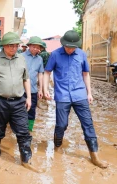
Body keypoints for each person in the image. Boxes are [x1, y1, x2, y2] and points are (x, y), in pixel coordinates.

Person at [43, 30, 108, 169]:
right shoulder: (55, 55)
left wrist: (89, 93)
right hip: (62, 95)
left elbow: (85, 74)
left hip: (80, 94)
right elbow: (47, 72)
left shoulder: (82, 54)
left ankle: (94, 156)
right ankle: (57, 145)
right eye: (68, 47)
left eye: (73, 47)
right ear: (63, 44)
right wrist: (45, 90)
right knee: (61, 125)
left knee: (88, 124)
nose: (70, 49)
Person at [0, 32, 40, 172]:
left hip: (19, 101)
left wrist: (29, 99)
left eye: (16, 45)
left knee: (23, 131)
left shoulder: (21, 59)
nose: (14, 48)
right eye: (11, 46)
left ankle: (26, 159)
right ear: (4, 46)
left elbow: (26, 79)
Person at [22, 36, 44, 131]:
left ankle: (29, 130)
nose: (36, 49)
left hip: (33, 89)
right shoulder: (21, 56)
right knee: (20, 110)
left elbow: (40, 74)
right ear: (29, 46)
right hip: (20, 89)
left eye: (38, 47)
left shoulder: (40, 59)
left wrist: (41, 89)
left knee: (32, 110)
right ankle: (20, 129)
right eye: (34, 46)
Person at [37, 41, 50, 110]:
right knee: (46, 85)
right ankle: (46, 100)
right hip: (47, 72)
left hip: (41, 72)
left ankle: (41, 100)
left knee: (40, 85)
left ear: (41, 47)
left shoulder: (40, 55)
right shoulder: (48, 54)